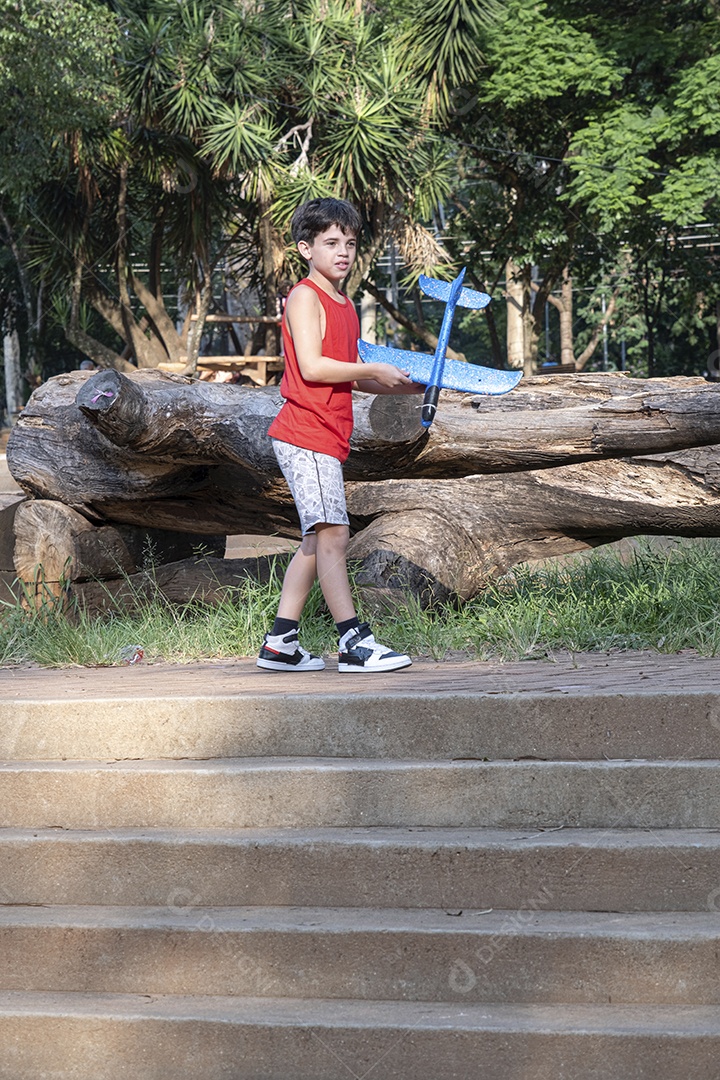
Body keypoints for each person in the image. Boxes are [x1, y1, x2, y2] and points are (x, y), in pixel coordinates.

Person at [257, 197, 423, 674]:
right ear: (306, 248)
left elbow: (344, 375)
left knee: (314, 541)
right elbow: (311, 366)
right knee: (333, 535)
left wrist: (402, 383)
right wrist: (372, 364)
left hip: (324, 436)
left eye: (349, 243)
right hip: (304, 433)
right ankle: (354, 642)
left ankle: (280, 643)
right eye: (331, 243)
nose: (343, 252)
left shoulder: (344, 304)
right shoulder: (305, 296)